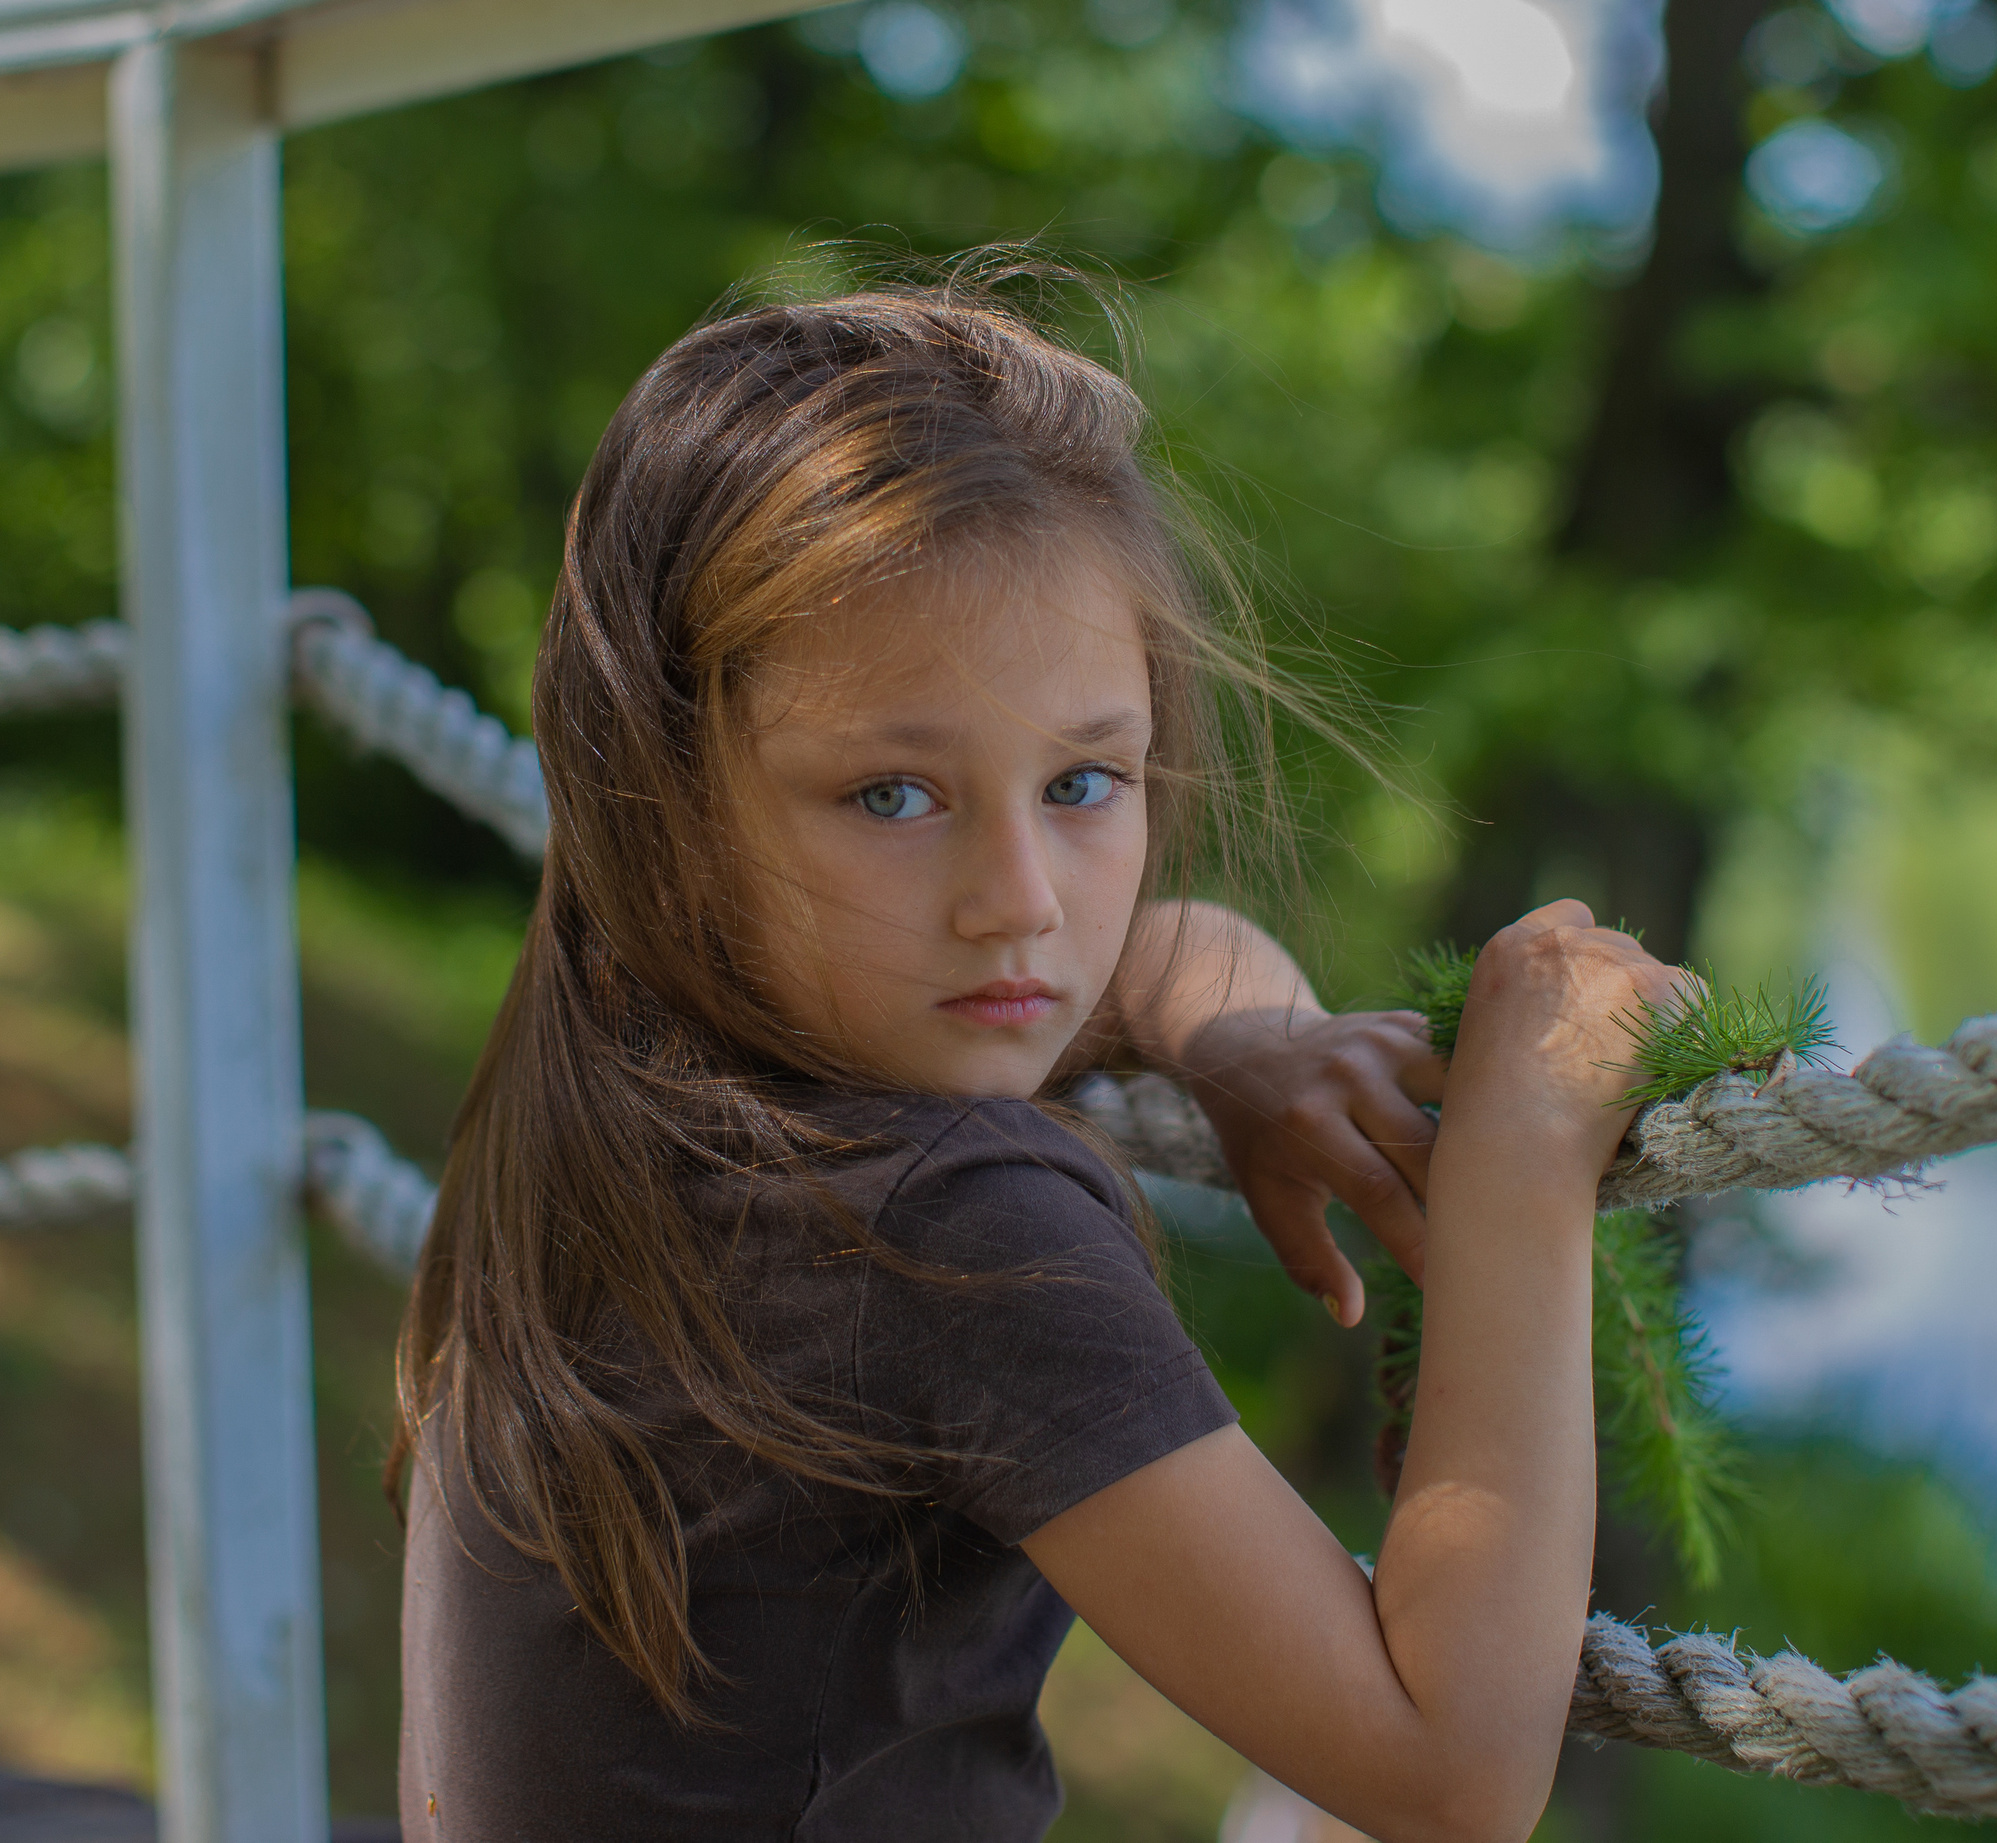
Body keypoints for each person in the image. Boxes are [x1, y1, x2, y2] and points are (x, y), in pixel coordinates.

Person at [393, 277, 1675, 1843]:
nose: (1021, 906)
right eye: (891, 799)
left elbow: (1137, 949)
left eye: (1083, 781)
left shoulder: (624, 1093)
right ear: (666, 796)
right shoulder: (942, 1223)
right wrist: (1520, 1171)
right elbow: (1449, 1771)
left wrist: (1246, 1040)